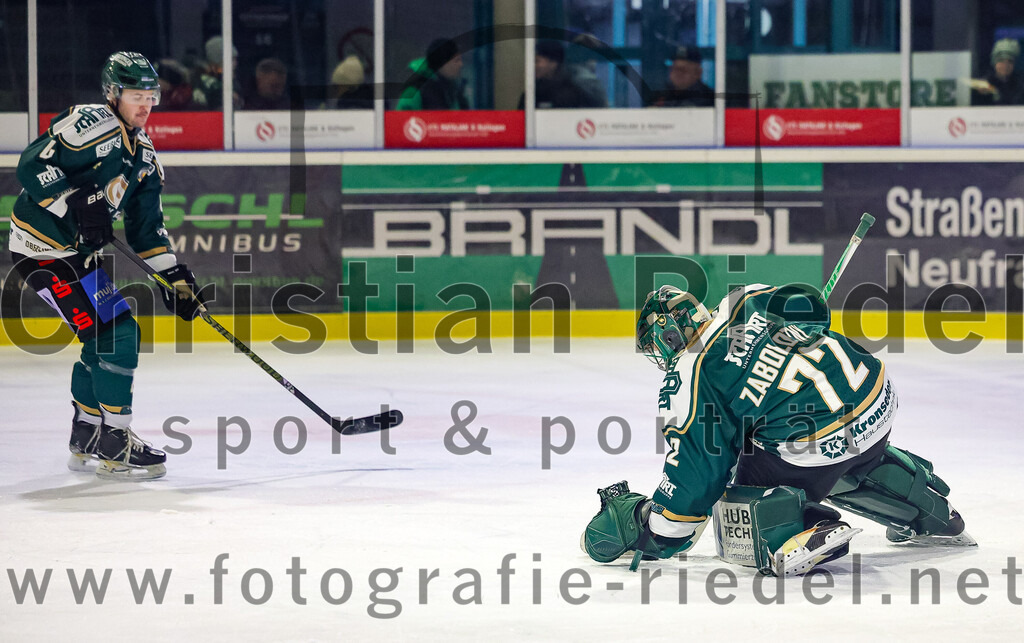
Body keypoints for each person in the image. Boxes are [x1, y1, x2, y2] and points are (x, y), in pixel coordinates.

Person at [581, 283, 975, 577]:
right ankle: (933, 514)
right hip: (877, 400)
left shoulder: (691, 375)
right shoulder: (744, 297)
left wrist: (657, 529)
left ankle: (802, 528)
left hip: (816, 441)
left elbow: (697, 476)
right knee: (827, 449)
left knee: (736, 486)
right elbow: (812, 310)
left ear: (669, 335)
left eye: (657, 344)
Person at [7, 52, 204, 480]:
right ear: (113, 94)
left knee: (103, 336)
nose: (146, 105)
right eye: (136, 96)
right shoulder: (91, 123)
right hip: (42, 251)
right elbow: (31, 164)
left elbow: (147, 232)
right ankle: (115, 441)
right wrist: (73, 204)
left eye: (151, 96)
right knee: (119, 332)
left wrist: (174, 276)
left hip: (76, 257)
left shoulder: (145, 158)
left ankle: (88, 434)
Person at [396, 38, 469, 110]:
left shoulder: (454, 90)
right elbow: (403, 120)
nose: (461, 64)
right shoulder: (415, 90)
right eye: (456, 60)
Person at [528, 40, 599, 109]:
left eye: (537, 61)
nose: (534, 66)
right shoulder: (533, 90)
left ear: (553, 63)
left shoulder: (573, 91)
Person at [193, 36, 242, 110]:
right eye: (231, 60)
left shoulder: (233, 80)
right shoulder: (208, 83)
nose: (235, 64)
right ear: (218, 62)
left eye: (235, 60)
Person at [971, 38, 1024, 106]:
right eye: (1001, 61)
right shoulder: (984, 84)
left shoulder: (1020, 85)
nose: (1005, 65)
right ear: (994, 63)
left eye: (1010, 62)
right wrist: (980, 95)